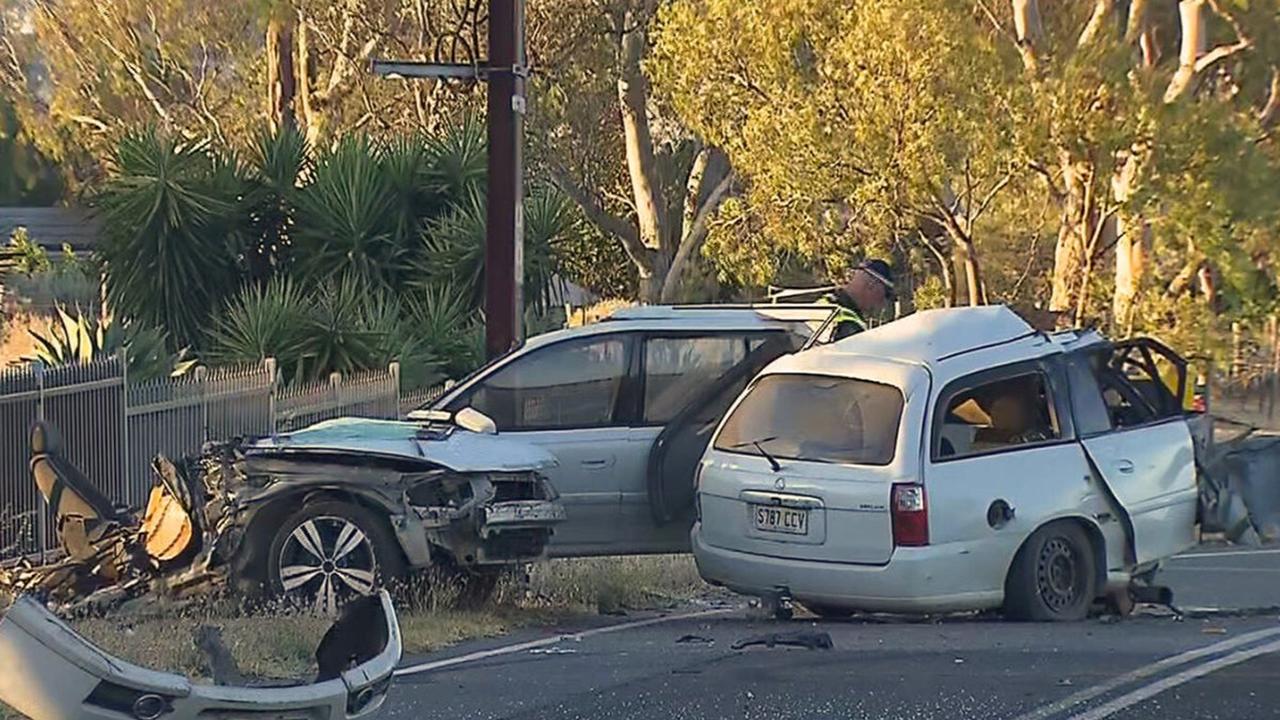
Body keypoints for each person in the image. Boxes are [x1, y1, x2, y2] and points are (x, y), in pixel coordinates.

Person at [822, 259, 895, 341]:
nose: (882, 303)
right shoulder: (850, 325)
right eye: (885, 295)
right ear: (872, 285)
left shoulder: (823, 303)